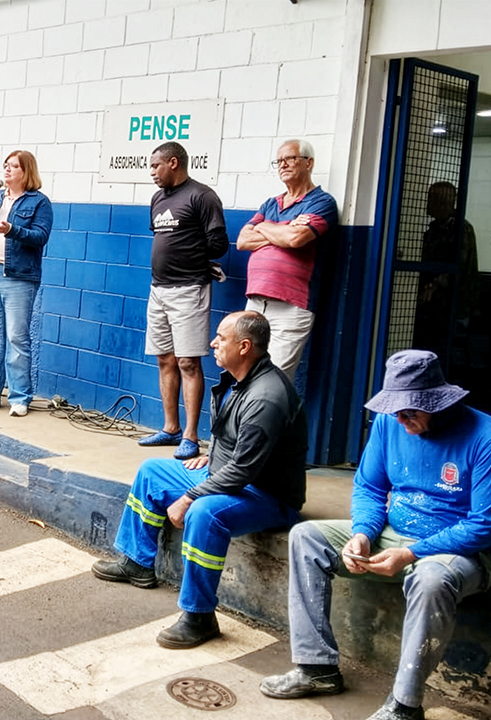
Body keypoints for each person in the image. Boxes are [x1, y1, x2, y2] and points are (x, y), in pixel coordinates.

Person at [260, 350, 491, 720]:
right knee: (306, 537)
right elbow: (369, 488)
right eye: (395, 411)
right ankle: (317, 668)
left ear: (438, 403)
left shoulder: (490, 439)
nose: (400, 420)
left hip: (466, 553)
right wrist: (362, 533)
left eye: (410, 412)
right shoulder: (389, 422)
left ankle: (405, 706)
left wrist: (411, 554)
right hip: (396, 534)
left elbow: (484, 525)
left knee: (431, 579)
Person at [92, 311, 307, 648]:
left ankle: (199, 616)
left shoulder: (267, 396)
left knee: (204, 513)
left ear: (244, 347)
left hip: (267, 495)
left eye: (221, 337)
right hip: (230, 475)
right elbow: (234, 442)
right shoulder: (239, 378)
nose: (213, 343)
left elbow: (244, 471)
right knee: (152, 472)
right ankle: (137, 563)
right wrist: (214, 455)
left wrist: (190, 496)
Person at [138, 141, 229, 460]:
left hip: (190, 289)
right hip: (158, 289)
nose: (152, 172)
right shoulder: (158, 199)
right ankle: (171, 428)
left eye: (156, 166)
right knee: (164, 359)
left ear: (173, 163)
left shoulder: (202, 196)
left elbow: (218, 244)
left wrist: (191, 259)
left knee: (188, 362)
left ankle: (190, 436)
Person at [236, 139, 339, 379]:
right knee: (244, 371)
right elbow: (242, 241)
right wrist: (284, 227)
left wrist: (263, 226)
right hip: (256, 302)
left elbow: (295, 239)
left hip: (292, 306)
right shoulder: (271, 204)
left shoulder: (322, 202)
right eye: (279, 161)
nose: (283, 164)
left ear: (308, 163)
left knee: (275, 379)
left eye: (290, 158)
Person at [0, 149, 53, 417]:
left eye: (14, 166)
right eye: (5, 165)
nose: (7, 170)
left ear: (26, 172)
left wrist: (12, 230)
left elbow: (40, 236)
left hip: (18, 277)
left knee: (17, 337)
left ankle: (20, 397)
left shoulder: (39, 202)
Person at [412, 181, 478, 368]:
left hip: (454, 304)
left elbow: (460, 264)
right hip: (432, 305)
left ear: (444, 203)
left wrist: (434, 286)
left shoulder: (461, 229)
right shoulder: (433, 230)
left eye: (432, 199)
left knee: (449, 349)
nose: (427, 203)